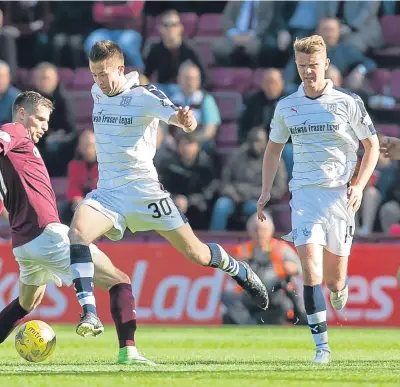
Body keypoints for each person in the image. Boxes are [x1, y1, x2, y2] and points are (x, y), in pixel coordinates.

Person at [0, 91, 154, 366]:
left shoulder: (1, 164)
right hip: (47, 235)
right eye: (39, 119)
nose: (44, 126)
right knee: (120, 280)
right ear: (22, 115)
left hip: (25, 247)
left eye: (47, 121)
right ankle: (128, 352)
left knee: (27, 303)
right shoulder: (15, 132)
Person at [67, 40, 269, 338]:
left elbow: (178, 117)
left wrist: (185, 121)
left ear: (121, 69)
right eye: (94, 73)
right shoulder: (97, 91)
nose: (99, 80)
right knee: (78, 232)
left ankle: (236, 268)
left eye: (105, 73)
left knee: (197, 254)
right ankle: (90, 314)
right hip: (108, 192)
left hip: (145, 191)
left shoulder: (143, 95)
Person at [256, 35, 380, 364]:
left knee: (334, 280)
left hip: (341, 196)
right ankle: (321, 347)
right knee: (311, 272)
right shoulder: (287, 107)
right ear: (295, 66)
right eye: (302, 66)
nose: (308, 72)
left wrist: (358, 184)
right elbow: (273, 149)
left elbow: (373, 147)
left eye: (313, 65)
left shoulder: (347, 102)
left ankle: (340, 289)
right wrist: (266, 189)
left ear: (325, 64)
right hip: (305, 195)